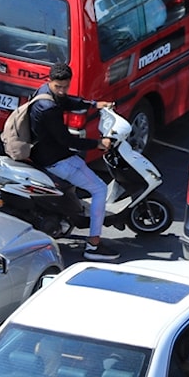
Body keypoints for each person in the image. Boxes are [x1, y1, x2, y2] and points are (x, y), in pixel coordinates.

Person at [29, 62, 119, 261]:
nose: (61, 90)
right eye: (58, 87)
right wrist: (98, 143)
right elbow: (67, 140)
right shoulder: (49, 109)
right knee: (99, 189)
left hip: (42, 153)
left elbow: (67, 101)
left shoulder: (44, 93)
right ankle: (94, 245)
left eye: (65, 86)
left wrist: (94, 104)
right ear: (50, 81)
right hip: (56, 159)